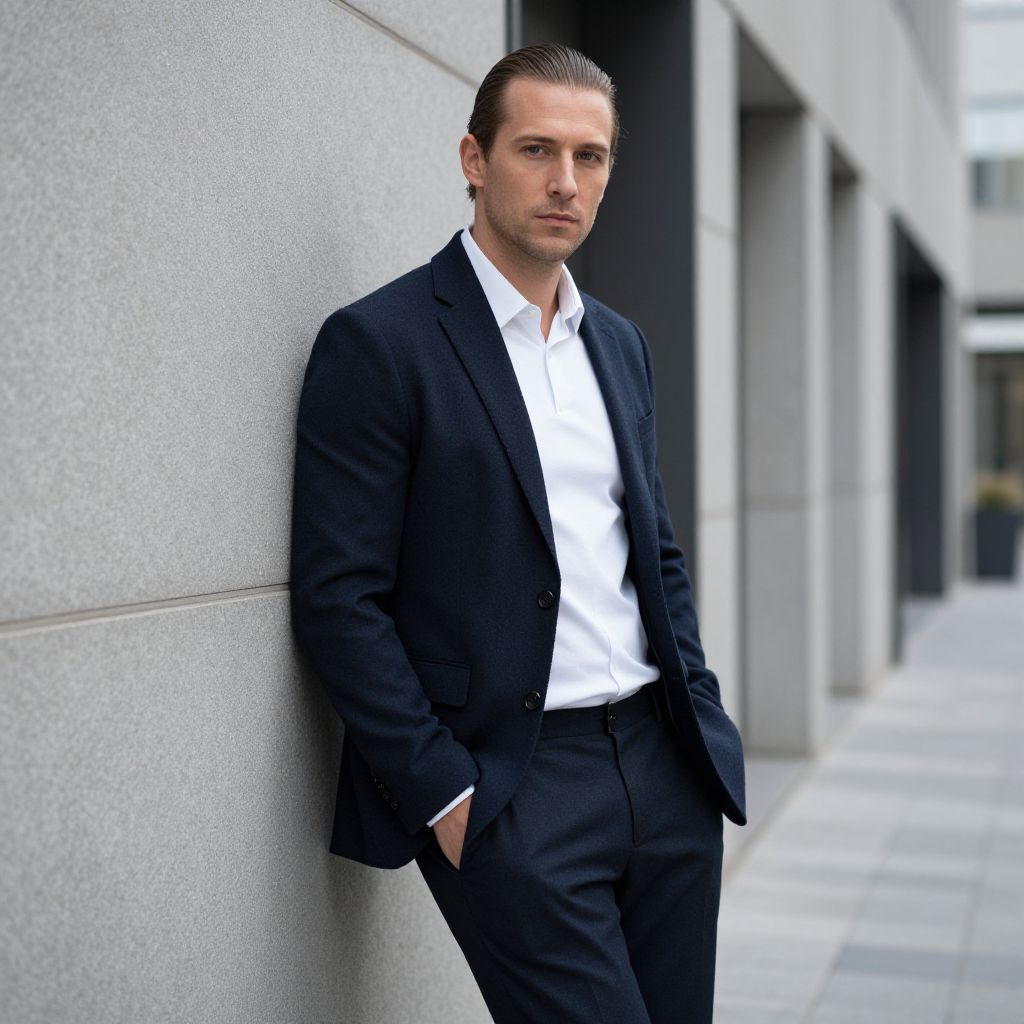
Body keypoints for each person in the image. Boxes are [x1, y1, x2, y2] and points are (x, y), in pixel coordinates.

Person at [290, 42, 746, 1024]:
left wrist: (699, 715)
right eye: (537, 149)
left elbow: (653, 554)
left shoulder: (618, 345)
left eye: (590, 157)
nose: (564, 181)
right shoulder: (382, 344)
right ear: (473, 158)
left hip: (663, 772)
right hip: (512, 785)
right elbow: (338, 598)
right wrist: (446, 796)